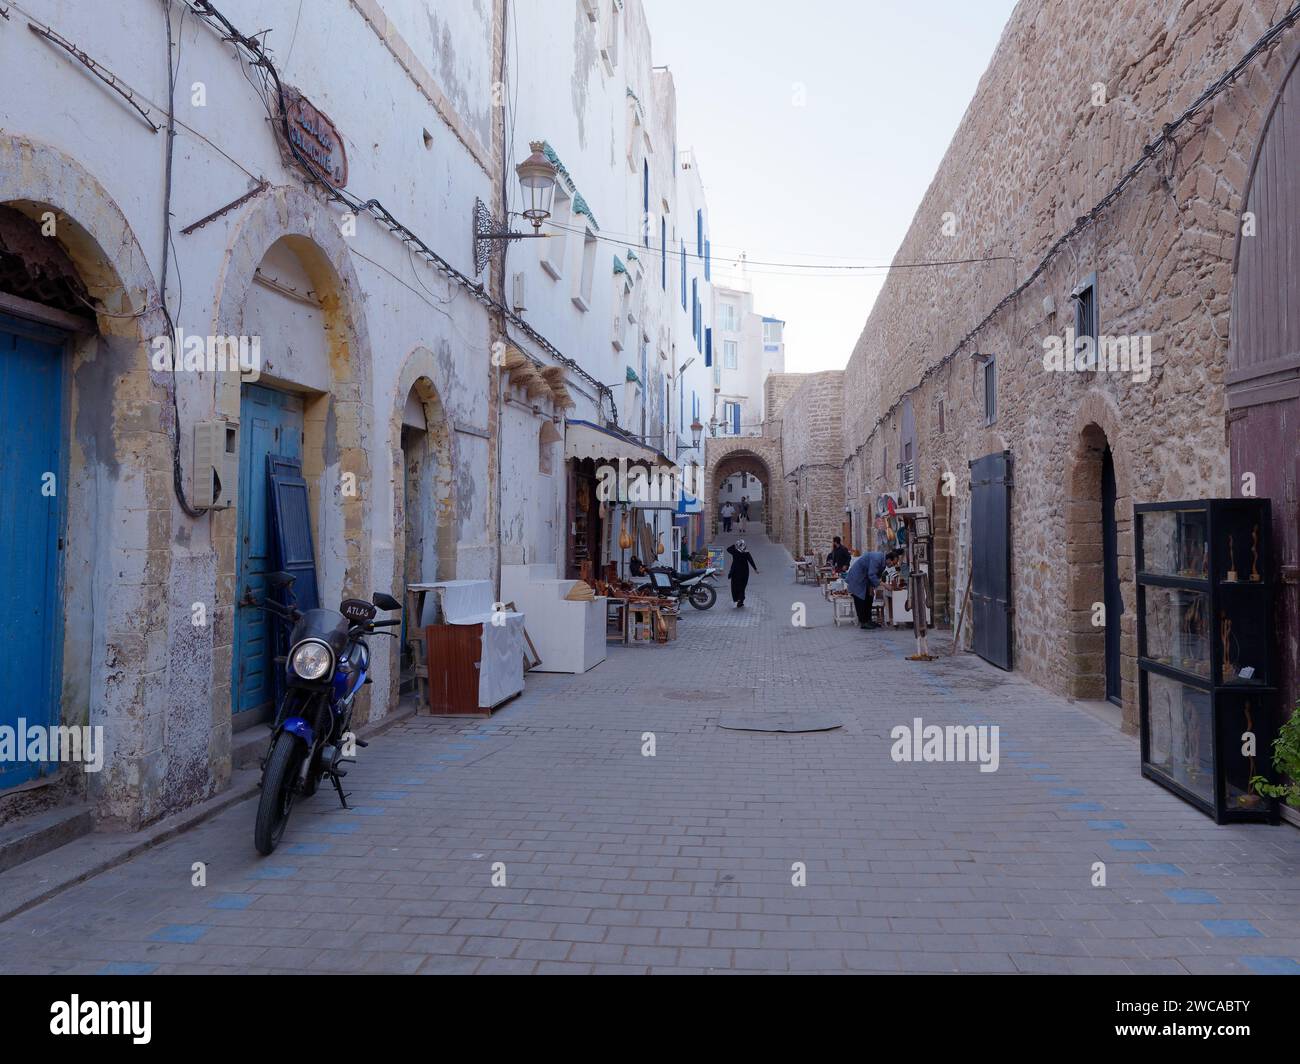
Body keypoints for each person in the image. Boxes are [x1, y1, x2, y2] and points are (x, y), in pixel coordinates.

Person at [844, 549, 899, 629]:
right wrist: (885, 585)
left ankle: (868, 620)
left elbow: (877, 576)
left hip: (865, 579)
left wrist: (873, 587)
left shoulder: (883, 563)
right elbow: (872, 575)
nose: (892, 565)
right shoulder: (877, 558)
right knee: (860, 598)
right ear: (888, 559)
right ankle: (863, 622)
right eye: (892, 563)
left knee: (869, 597)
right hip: (858, 577)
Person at [726, 539, 758, 607]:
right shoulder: (746, 552)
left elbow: (728, 549)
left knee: (735, 585)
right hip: (744, 572)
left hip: (735, 571)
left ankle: (738, 599)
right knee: (742, 586)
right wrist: (755, 569)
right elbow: (750, 560)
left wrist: (735, 545)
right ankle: (741, 600)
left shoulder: (735, 551)